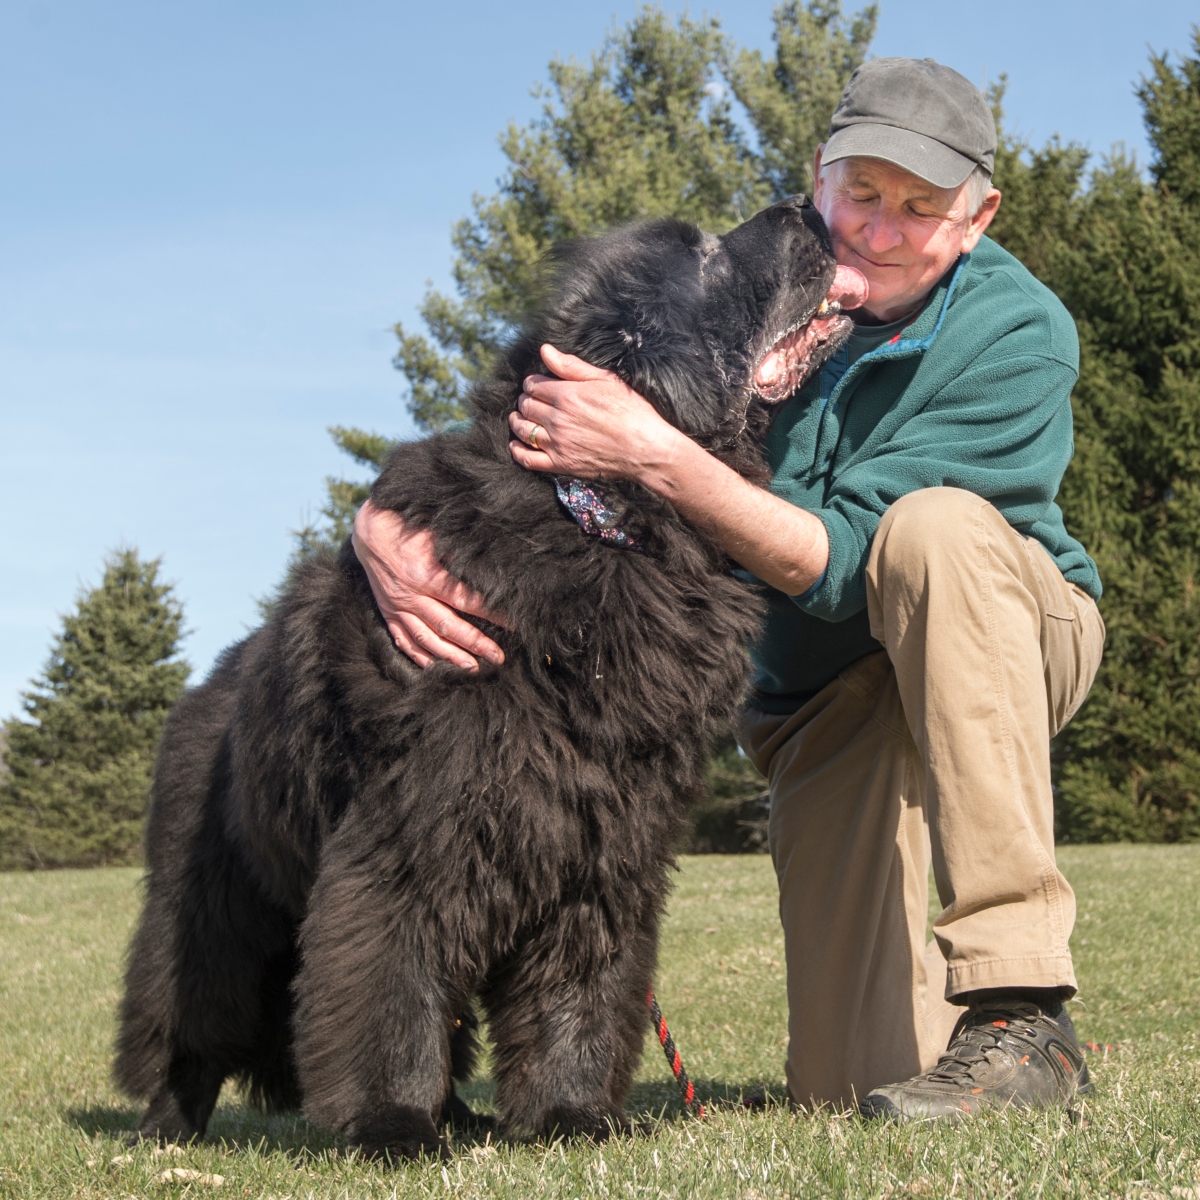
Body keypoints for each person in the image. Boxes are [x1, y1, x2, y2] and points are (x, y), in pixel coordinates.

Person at [352, 57, 1105, 1120]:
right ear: (820, 173)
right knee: (851, 1093)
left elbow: (845, 564)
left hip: (1000, 633)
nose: (880, 232)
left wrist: (657, 456)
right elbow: (526, 410)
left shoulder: (1017, 333)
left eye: (921, 209)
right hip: (825, 693)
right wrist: (380, 520)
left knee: (930, 533)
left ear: (977, 219)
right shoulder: (751, 273)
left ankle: (1021, 1011)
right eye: (863, 195)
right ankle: (944, 1058)